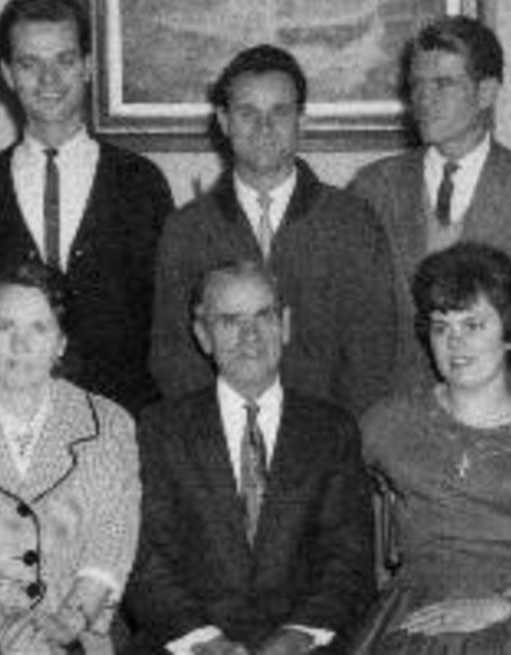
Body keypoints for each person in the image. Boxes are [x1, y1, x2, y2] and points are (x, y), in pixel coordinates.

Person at [353, 242, 511, 655]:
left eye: (473, 325)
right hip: (419, 613)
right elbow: (323, 487)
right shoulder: (391, 421)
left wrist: (499, 607)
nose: (455, 342)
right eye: (440, 326)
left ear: (508, 333)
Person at [127, 260, 375, 654]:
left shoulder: (332, 430)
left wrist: (297, 635)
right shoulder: (159, 429)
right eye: (229, 320)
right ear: (203, 335)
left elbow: (349, 562)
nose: (251, 335)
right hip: (187, 645)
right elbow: (146, 559)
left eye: (264, 316)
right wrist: (205, 641)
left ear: (286, 324)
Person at [351, 15, 511, 413]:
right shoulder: (373, 188)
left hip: (501, 428)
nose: (424, 99)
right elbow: (356, 330)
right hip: (398, 431)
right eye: (417, 85)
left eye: (443, 84)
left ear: (486, 92)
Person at [151, 44, 397, 417]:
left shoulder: (351, 222)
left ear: (302, 119)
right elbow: (174, 356)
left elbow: (372, 358)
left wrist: (334, 443)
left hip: (327, 446)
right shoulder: (186, 229)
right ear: (223, 120)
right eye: (247, 113)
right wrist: (220, 438)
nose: (264, 127)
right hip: (219, 446)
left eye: (279, 112)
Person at [0, 261, 139, 654]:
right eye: (5, 327)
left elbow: (110, 546)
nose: (20, 345)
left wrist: (66, 625)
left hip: (72, 633)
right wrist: (4, 633)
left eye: (39, 328)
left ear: (62, 342)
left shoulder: (109, 426)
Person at [0, 0, 174, 414]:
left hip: (121, 422)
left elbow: (164, 324)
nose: (49, 81)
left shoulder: (140, 182)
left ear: (89, 66)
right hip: (9, 423)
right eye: (29, 64)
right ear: (6, 73)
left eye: (64, 60)